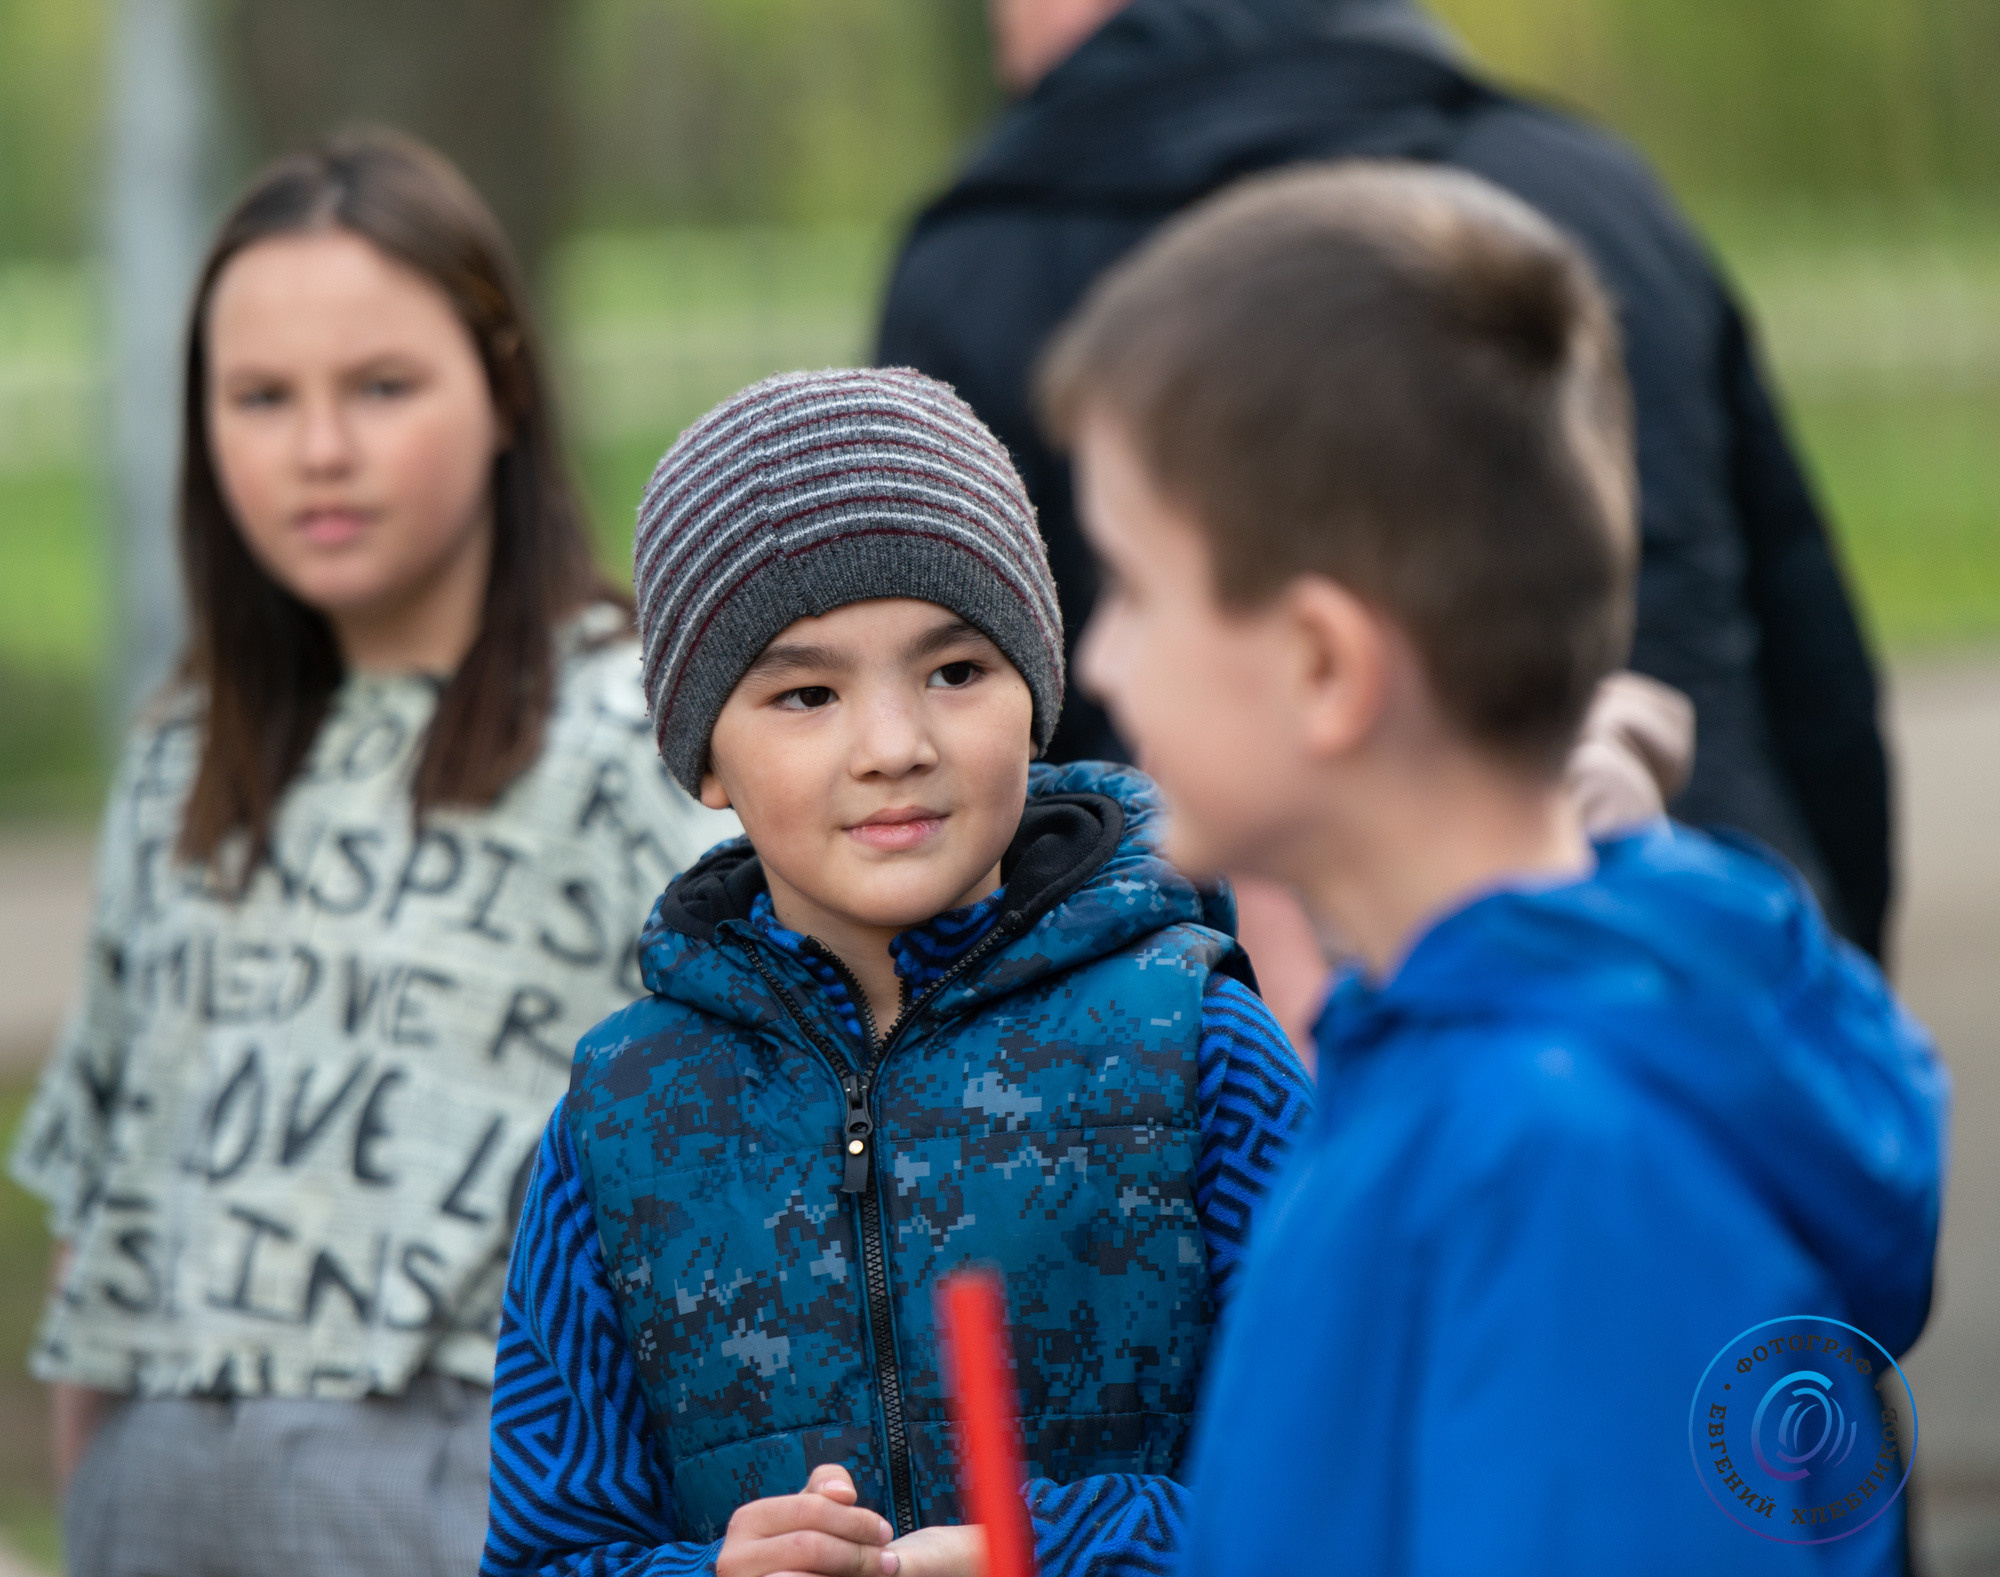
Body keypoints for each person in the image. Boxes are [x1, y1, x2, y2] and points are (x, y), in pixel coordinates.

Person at [1038, 161, 1947, 1573]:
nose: (1096, 661)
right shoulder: (1424, 1067)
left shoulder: (1556, 1174)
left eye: (1136, 589)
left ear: (1325, 666)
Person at [8, 129, 737, 1577]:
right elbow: (111, 1175)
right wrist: (91, 1463)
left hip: (452, 1469)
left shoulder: (627, 738)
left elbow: (728, 1159)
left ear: (503, 386)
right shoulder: (185, 758)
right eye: (261, 397)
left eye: (382, 386)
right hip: (158, 1473)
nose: (319, 449)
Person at [479, 367, 1314, 1577]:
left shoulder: (1199, 1046)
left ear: (1036, 695)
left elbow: (1356, 1489)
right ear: (701, 755)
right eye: (806, 693)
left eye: (955, 671)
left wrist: (1054, 1550)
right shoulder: (617, 1123)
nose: (893, 746)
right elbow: (546, 1554)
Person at [879, 0, 1893, 962]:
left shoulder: (984, 259)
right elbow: (1812, 676)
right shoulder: (1596, 185)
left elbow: (924, 716)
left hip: (1206, 1039)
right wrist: (1823, 949)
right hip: (1713, 930)